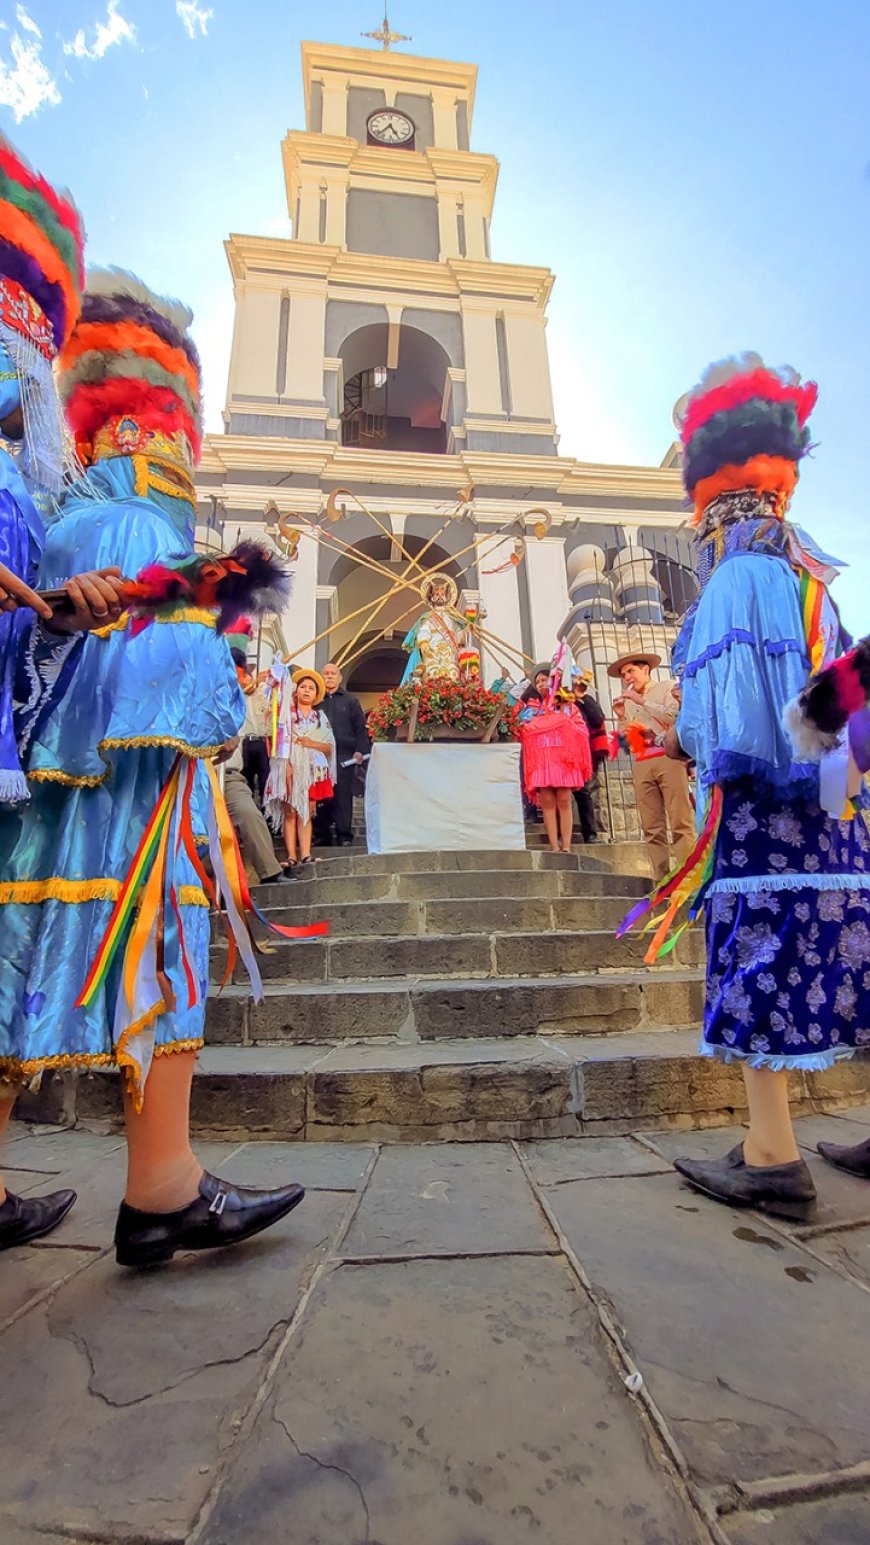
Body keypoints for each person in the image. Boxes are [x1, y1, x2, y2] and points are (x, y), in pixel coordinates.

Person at [0, 269, 304, 1265]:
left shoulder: (56, 513)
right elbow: (184, 686)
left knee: (16, 960)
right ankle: (163, 1189)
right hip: (125, 796)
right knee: (159, 946)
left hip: (42, 788)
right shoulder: (140, 516)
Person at [636, 353, 870, 1219]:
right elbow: (836, 706)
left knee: (763, 954)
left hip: (763, 816)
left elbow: (723, 727)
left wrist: (674, 725)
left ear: (710, 511)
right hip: (832, 813)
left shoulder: (734, 582)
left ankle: (773, 1154)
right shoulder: (811, 581)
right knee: (838, 951)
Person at [610, 651, 694, 883]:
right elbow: (630, 741)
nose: (627, 677)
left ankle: (686, 878)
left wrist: (641, 701)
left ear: (645, 670)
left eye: (631, 671)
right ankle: (661, 879)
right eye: (624, 674)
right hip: (642, 762)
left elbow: (676, 716)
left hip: (669, 758)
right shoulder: (627, 702)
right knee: (651, 826)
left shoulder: (666, 687)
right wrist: (621, 719)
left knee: (680, 820)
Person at [225, 648, 289, 885]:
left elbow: (264, 703)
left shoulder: (241, 695)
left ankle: (270, 871)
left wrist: (268, 681)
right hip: (196, 771)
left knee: (249, 812)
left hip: (229, 773)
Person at [266, 667, 336, 871]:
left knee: (306, 810)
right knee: (290, 810)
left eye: (311, 688)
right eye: (303, 686)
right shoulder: (286, 716)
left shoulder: (320, 718)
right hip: (289, 765)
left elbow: (329, 746)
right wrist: (285, 764)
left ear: (316, 695)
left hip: (312, 770)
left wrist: (310, 743)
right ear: (295, 691)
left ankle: (306, 853)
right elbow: (277, 742)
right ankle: (291, 855)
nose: (306, 690)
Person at [519, 665, 591, 854]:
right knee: (548, 802)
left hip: (564, 760)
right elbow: (523, 728)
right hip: (542, 761)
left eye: (545, 679)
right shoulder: (532, 708)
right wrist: (552, 724)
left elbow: (581, 729)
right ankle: (554, 845)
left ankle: (566, 845)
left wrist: (558, 724)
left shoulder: (567, 706)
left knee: (564, 800)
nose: (542, 683)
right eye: (538, 681)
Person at [315, 660, 369, 847]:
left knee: (343, 796)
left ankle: (344, 835)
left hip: (344, 755)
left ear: (339, 678)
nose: (329, 676)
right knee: (321, 794)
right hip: (319, 755)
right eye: (326, 673)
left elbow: (360, 728)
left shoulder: (350, 701)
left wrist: (360, 751)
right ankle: (322, 834)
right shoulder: (315, 700)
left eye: (333, 673)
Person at [401, 572, 465, 684]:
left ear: (447, 597)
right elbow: (424, 631)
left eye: (442, 594)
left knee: (453, 675)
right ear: (431, 598)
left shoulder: (453, 618)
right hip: (433, 649)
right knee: (432, 674)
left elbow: (457, 631)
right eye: (436, 594)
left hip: (450, 652)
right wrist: (424, 643)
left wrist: (462, 638)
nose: (440, 596)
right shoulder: (428, 617)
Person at [574, 674, 609, 843]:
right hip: (563, 751)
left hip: (583, 752)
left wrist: (582, 698)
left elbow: (598, 718)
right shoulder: (557, 700)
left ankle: (590, 833)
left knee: (583, 792)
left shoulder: (585, 701)